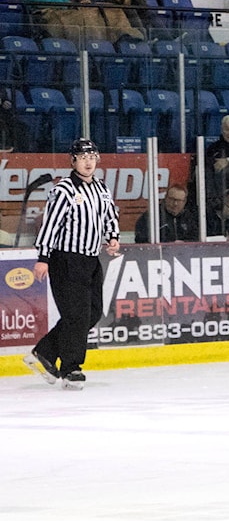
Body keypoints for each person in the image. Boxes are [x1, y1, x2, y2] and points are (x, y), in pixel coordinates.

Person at [23, 138, 120, 390]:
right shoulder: (63, 189)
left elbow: (110, 215)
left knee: (93, 312)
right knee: (76, 315)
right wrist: (43, 258)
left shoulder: (101, 188)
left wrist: (112, 237)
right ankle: (71, 367)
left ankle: (44, 351)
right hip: (66, 260)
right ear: (73, 161)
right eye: (82, 157)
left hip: (90, 259)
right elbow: (51, 224)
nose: (88, 162)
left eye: (92, 157)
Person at [134, 184, 199, 243]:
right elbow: (141, 240)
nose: (175, 204)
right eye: (172, 199)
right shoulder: (151, 216)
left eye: (179, 200)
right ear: (166, 198)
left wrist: (184, 243)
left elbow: (197, 239)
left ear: (184, 201)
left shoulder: (190, 218)